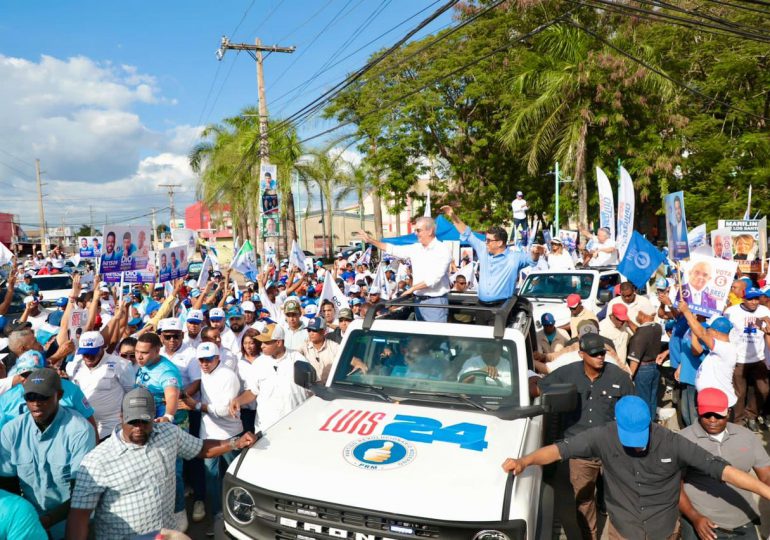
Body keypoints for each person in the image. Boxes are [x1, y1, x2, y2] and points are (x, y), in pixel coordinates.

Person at [501, 395, 770, 540]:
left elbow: (723, 470)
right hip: (622, 531)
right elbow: (559, 450)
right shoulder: (601, 436)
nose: (638, 447)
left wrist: (766, 491)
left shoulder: (673, 442)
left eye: (641, 438)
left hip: (664, 531)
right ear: (616, 424)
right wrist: (524, 461)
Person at [66, 387, 257, 540]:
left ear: (154, 416)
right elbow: (79, 517)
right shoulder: (96, 461)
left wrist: (234, 443)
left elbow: (201, 449)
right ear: (121, 417)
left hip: (165, 535)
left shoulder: (168, 433)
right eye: (133, 422)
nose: (139, 428)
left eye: (144, 421)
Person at [535, 333, 634, 538]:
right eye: (594, 353)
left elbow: (633, 414)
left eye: (602, 353)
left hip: (611, 451)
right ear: (581, 354)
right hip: (579, 453)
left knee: (617, 499)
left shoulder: (620, 378)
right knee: (583, 500)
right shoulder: (566, 374)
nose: (600, 357)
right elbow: (538, 387)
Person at [0, 368, 96, 540]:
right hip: (27, 524)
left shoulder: (80, 431)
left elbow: (81, 494)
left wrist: (47, 520)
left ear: (59, 395)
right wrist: (24, 520)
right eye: (30, 397)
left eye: (43, 397)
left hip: (70, 524)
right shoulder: (11, 431)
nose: (36, 403)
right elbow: (7, 484)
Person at [678, 388, 770, 540]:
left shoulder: (746, 436)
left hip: (743, 521)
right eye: (707, 414)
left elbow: (765, 473)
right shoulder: (682, 440)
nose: (712, 420)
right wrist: (694, 518)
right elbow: (675, 486)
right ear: (697, 411)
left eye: (718, 415)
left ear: (728, 412)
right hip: (702, 524)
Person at [179, 343, 243, 534]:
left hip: (230, 435)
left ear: (218, 359)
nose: (205, 363)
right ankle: (217, 517)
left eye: (209, 359)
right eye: (201, 360)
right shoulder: (204, 375)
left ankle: (237, 520)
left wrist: (196, 406)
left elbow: (225, 411)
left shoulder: (228, 376)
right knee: (212, 479)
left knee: (233, 479)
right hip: (208, 435)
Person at [440, 206, 542, 317]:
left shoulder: (515, 257)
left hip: (502, 308)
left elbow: (532, 259)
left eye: (489, 240)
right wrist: (452, 215)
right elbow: (467, 233)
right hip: (481, 306)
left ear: (499, 243)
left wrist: (536, 252)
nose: (486, 242)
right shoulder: (483, 249)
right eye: (485, 239)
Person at [359, 217, 452, 323]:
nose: (415, 233)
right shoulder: (416, 248)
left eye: (418, 230)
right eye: (415, 230)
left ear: (430, 231)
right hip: (418, 301)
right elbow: (393, 249)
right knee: (422, 338)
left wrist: (412, 289)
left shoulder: (443, 250)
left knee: (436, 338)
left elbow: (434, 279)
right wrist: (371, 240)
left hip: (435, 302)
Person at [229, 324, 311, 431]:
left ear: (278, 342)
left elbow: (312, 391)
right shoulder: (258, 363)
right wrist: (238, 401)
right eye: (261, 342)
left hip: (294, 426)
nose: (262, 345)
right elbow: (252, 392)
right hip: (266, 426)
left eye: (266, 342)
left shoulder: (298, 360)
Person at [65, 331, 135, 440]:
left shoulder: (121, 365)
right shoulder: (73, 366)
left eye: (92, 353)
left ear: (103, 347)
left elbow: (131, 393)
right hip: (83, 424)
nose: (88, 356)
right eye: (84, 353)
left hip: (111, 426)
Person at [724, 287, 770, 430]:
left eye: (756, 298)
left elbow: (767, 332)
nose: (754, 302)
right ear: (744, 298)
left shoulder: (765, 311)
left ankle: (751, 414)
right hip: (739, 359)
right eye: (750, 299)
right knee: (740, 393)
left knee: (764, 390)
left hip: (759, 358)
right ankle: (739, 422)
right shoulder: (731, 312)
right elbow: (723, 331)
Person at [627, 305, 663, 419]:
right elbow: (641, 330)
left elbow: (634, 361)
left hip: (643, 370)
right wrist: (628, 322)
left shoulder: (639, 336)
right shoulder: (657, 327)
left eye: (638, 314)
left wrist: (629, 376)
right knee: (652, 399)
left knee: (643, 400)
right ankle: (652, 423)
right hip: (655, 367)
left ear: (643, 315)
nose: (636, 316)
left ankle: (644, 424)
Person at [300, 317, 340, 384]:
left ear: (323, 332)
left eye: (314, 330)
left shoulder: (334, 347)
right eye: (309, 330)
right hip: (311, 389)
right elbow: (293, 356)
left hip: (331, 388)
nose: (311, 333)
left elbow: (350, 359)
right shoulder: (305, 346)